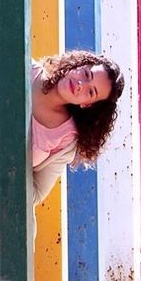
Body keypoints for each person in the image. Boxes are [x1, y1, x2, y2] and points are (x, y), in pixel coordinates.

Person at [31, 49, 124, 207]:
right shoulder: (26, 67)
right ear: (80, 64)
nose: (81, 84)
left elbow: (37, 192)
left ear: (87, 104)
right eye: (87, 74)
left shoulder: (66, 140)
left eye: (90, 92)